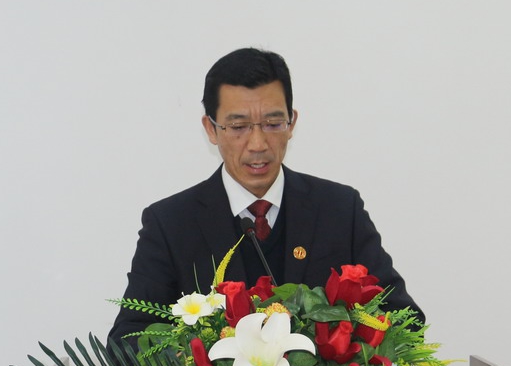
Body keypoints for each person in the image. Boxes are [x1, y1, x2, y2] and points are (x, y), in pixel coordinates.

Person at [108, 47, 423, 347]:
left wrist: (339, 353)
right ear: (211, 129)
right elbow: (128, 339)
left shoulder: (340, 210)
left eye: (273, 124)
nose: (258, 144)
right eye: (239, 126)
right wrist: (205, 359)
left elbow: (405, 320)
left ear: (292, 123)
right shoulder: (171, 224)